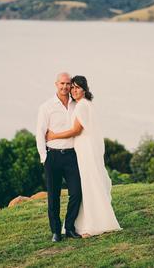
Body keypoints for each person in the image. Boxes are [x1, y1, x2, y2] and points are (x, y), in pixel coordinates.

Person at [46, 75, 122, 237]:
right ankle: (89, 221)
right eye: (72, 87)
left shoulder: (81, 106)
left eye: (77, 87)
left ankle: (92, 223)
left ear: (84, 89)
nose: (73, 90)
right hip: (82, 148)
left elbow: (76, 130)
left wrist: (54, 136)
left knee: (87, 185)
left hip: (84, 149)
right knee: (87, 185)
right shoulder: (85, 104)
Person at [36, 72, 83, 242]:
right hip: (53, 157)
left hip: (71, 156)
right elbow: (40, 134)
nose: (65, 87)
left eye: (68, 84)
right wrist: (44, 158)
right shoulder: (46, 107)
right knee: (53, 197)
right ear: (56, 84)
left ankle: (69, 227)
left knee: (77, 193)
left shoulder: (76, 104)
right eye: (62, 83)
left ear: (71, 85)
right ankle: (56, 231)